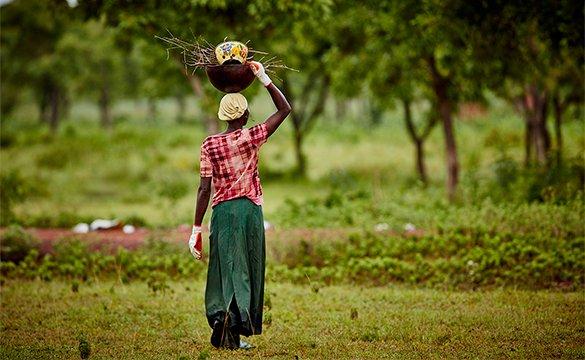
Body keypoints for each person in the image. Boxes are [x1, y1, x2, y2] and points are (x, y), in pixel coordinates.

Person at [188, 61, 291, 349]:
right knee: (246, 268)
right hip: (248, 212)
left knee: (223, 270)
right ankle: (234, 328)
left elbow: (203, 189)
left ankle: (222, 320)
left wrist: (196, 229)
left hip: (221, 214)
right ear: (245, 114)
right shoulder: (251, 137)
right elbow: (285, 110)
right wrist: (263, 77)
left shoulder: (209, 145)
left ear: (222, 115)